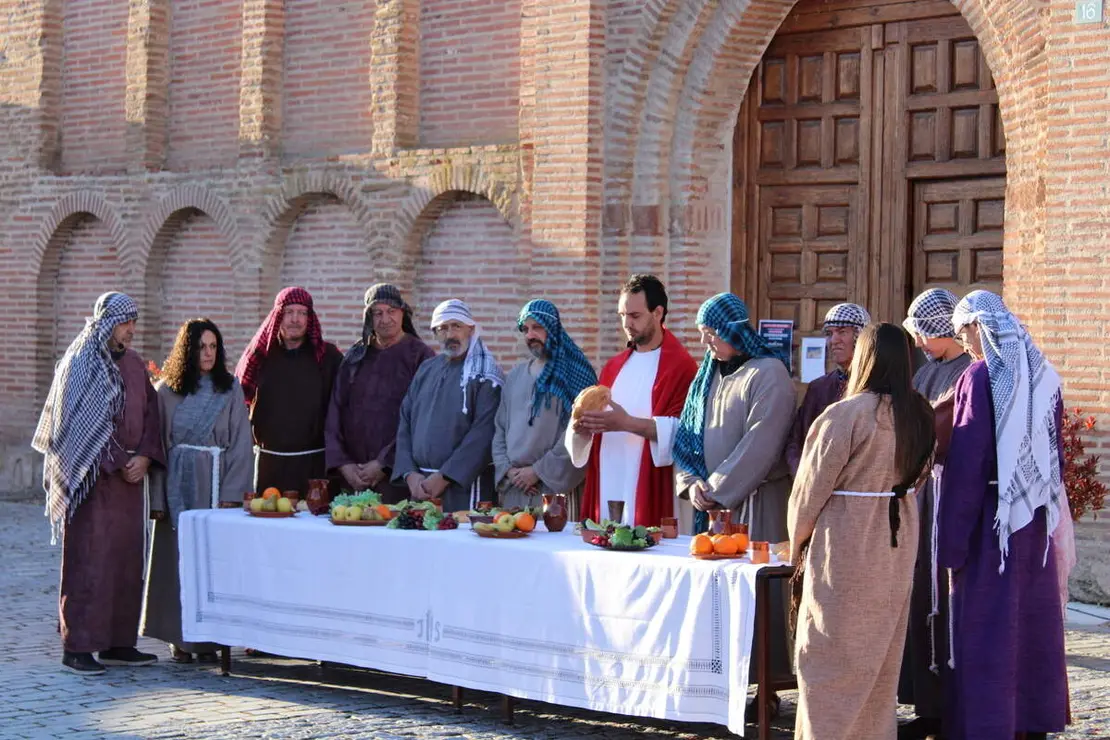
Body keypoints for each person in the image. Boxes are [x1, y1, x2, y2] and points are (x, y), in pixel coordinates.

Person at [788, 323, 936, 740]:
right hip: (898, 539)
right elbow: (920, 477)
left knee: (828, 657)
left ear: (865, 359)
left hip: (847, 541)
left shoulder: (844, 414)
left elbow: (809, 489)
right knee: (879, 661)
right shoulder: (920, 414)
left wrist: (796, 542)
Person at [939, 290, 1068, 740]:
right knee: (1030, 623)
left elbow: (968, 460)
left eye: (964, 331)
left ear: (980, 326)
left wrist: (951, 540)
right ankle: (1032, 720)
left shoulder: (980, 376)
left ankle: (989, 725)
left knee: (987, 627)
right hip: (1033, 521)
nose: (965, 341)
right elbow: (1057, 455)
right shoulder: (1043, 374)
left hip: (991, 528)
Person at [672, 292, 796, 719]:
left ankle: (765, 689)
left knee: (757, 602)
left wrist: (719, 489)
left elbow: (762, 442)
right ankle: (716, 686)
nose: (707, 343)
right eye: (702, 335)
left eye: (713, 335)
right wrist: (691, 485)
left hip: (754, 506)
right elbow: (685, 440)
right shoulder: (707, 376)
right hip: (708, 510)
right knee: (712, 603)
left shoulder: (770, 373)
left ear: (734, 332)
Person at [32, 292, 165, 675]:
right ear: (107, 323)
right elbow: (75, 429)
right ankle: (78, 646)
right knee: (90, 562)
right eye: (126, 323)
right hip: (91, 484)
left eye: (134, 322)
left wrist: (143, 457)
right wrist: (117, 461)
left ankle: (119, 643)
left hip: (129, 485)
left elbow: (151, 416)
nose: (131, 330)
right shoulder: (80, 364)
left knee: (125, 561)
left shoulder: (137, 365)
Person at [141, 318, 253, 664]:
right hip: (178, 485)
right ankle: (179, 637)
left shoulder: (230, 389)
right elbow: (157, 448)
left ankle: (211, 639)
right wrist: (158, 499)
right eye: (201, 347)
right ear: (187, 350)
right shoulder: (166, 392)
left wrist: (232, 493)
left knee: (213, 562)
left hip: (215, 483)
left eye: (213, 347)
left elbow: (240, 444)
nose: (208, 353)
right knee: (177, 560)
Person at [896, 289, 972, 739]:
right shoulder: (926, 374)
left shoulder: (972, 373)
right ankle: (926, 703)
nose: (920, 341)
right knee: (920, 598)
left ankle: (952, 706)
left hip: (949, 498)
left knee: (946, 602)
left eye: (925, 331)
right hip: (920, 500)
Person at [567, 274, 697, 526]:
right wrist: (582, 429)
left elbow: (684, 431)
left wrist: (625, 423)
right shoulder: (614, 366)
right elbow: (597, 421)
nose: (626, 323)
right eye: (622, 315)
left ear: (658, 313)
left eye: (635, 316)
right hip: (607, 473)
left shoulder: (680, 366)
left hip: (650, 482)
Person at [325, 284, 435, 503]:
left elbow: (422, 419)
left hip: (397, 478)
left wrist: (384, 463)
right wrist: (344, 464)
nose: (385, 319)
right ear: (369, 318)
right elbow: (335, 412)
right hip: (352, 477)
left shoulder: (421, 357)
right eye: (378, 313)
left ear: (403, 313)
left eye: (391, 311)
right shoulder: (355, 356)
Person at [392, 299, 503, 512]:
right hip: (420, 487)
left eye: (456, 326)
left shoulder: (486, 374)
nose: (450, 334)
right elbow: (405, 421)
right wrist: (409, 474)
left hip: (466, 486)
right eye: (442, 328)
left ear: (470, 329)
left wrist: (444, 477)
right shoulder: (426, 369)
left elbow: (484, 432)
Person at [235, 287, 343, 496]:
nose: (296, 319)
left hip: (316, 468)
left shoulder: (328, 358)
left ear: (310, 318)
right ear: (278, 315)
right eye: (289, 312)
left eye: (302, 313)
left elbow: (342, 408)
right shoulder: (258, 356)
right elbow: (239, 405)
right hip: (268, 466)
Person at [492, 300, 596, 512]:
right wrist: (509, 471)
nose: (530, 335)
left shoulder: (576, 375)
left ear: (552, 328)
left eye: (537, 327)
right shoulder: (514, 377)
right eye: (526, 329)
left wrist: (538, 472)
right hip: (515, 489)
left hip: (555, 491)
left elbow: (579, 434)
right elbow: (499, 429)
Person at [785, 302, 871, 475]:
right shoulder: (819, 388)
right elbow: (797, 441)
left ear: (861, 337)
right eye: (830, 334)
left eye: (842, 332)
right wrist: (804, 477)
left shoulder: (876, 386)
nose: (834, 341)